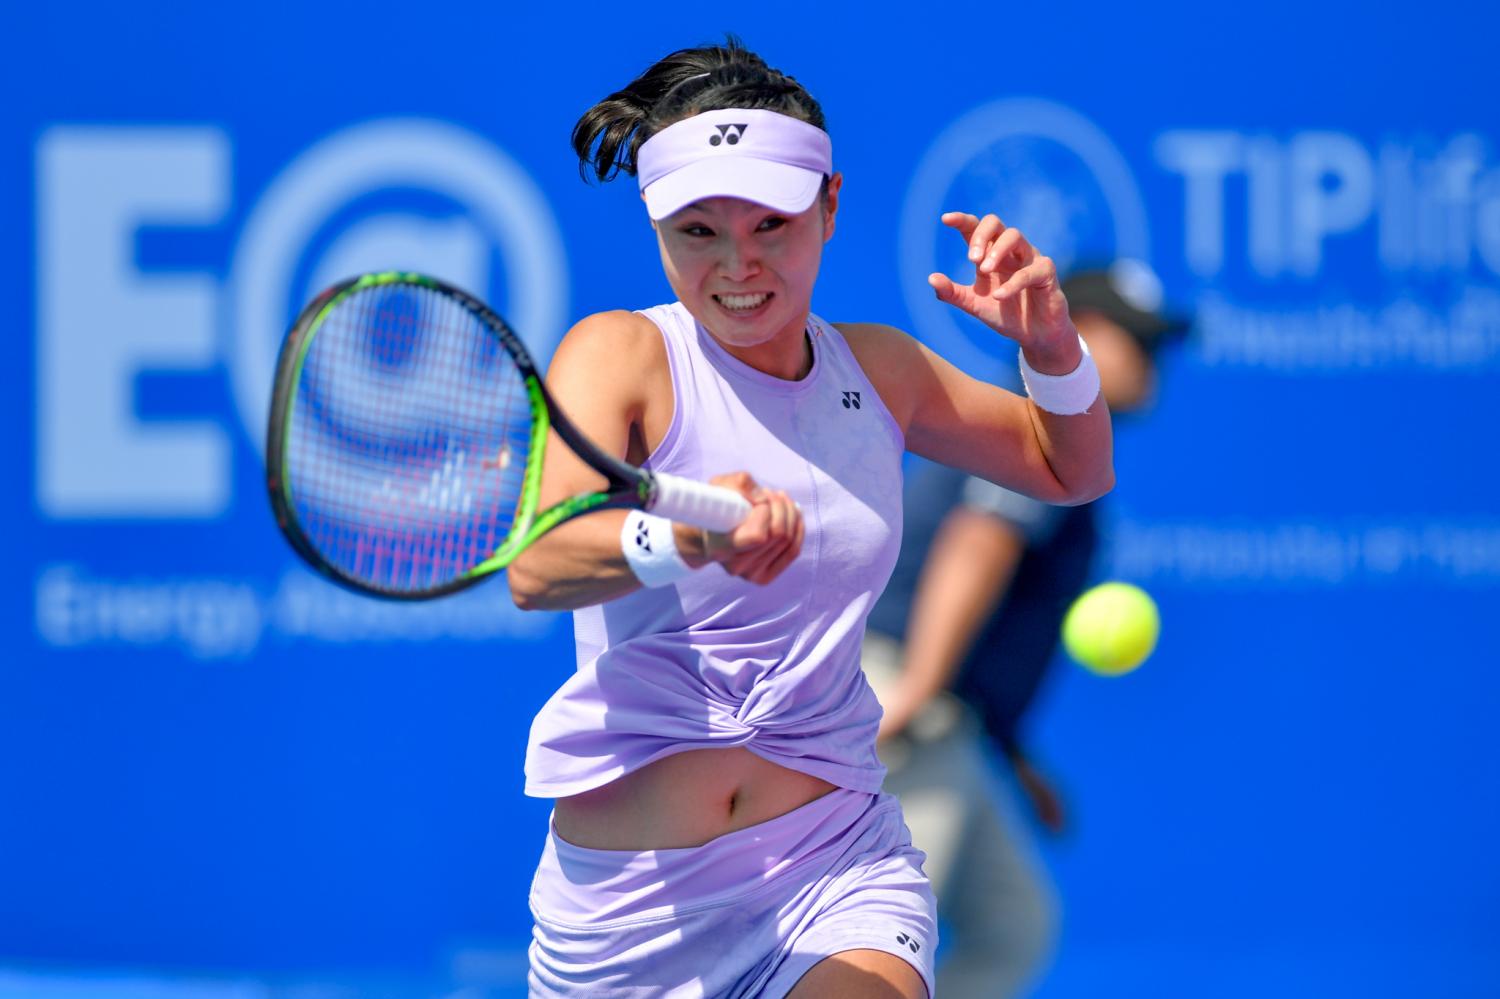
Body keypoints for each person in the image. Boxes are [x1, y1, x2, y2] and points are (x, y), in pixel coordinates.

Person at [506, 38, 1114, 999]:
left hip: (835, 863)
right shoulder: (618, 354)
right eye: (698, 231)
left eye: (770, 224)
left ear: (829, 206)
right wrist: (690, 537)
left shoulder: (882, 371)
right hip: (628, 910)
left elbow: (1068, 466)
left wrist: (1052, 344)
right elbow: (538, 565)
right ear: (656, 227)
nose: (738, 263)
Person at [863, 261, 1190, 997]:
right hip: (910, 699)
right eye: (1140, 341)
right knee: (883, 945)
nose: (1155, 363)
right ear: (1090, 334)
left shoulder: (1056, 438)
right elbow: (978, 544)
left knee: (1015, 924)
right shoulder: (1036, 427)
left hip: (950, 717)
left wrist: (1012, 756)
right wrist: (916, 687)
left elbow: (991, 599)